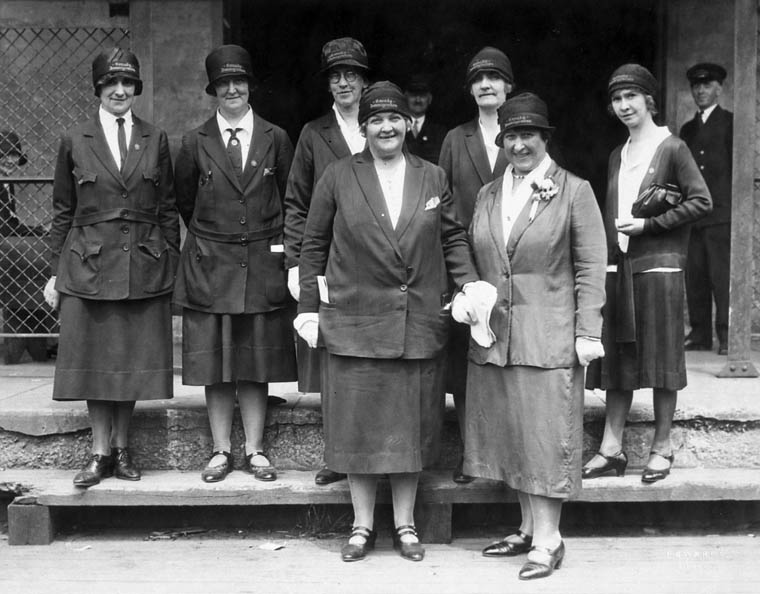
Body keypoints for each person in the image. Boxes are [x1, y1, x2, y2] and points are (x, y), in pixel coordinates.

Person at [295, 82, 479, 562]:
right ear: (364, 128)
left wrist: (469, 286)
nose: (387, 127)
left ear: (409, 124)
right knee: (359, 428)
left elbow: (453, 240)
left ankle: (406, 525)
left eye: (395, 118)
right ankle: (360, 526)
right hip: (357, 324)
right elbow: (313, 246)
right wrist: (308, 309)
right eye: (376, 120)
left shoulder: (433, 176)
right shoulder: (338, 175)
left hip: (415, 322)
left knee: (410, 428)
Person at [456, 93, 606, 580]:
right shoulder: (488, 194)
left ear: (546, 139)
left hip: (549, 334)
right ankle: (524, 527)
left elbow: (589, 268)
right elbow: (480, 258)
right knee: (512, 434)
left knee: (544, 437)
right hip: (495, 335)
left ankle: (549, 539)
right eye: (511, 136)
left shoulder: (574, 191)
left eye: (529, 135)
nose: (519, 144)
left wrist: (588, 330)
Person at [44, 48, 180, 487]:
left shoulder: (154, 138)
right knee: (95, 363)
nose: (119, 91)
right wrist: (54, 271)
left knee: (131, 363)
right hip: (88, 265)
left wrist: (170, 262)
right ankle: (99, 452)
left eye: (127, 84)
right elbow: (62, 211)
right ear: (98, 90)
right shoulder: (75, 139)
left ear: (136, 89)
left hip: (143, 263)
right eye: (110, 84)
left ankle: (122, 449)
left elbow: (167, 208)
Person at [173, 45, 296, 483]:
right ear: (213, 90)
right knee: (217, 363)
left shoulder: (275, 138)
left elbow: (288, 196)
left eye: (238, 82)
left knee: (256, 360)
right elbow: (186, 201)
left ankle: (256, 450)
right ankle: (221, 450)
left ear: (249, 86)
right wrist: (215, 239)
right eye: (223, 83)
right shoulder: (193, 141)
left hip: (262, 262)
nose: (232, 90)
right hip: (212, 263)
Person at [584, 64, 712, 485]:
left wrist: (650, 227)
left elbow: (701, 202)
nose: (623, 106)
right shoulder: (617, 154)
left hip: (660, 268)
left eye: (631, 98)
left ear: (648, 101)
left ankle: (662, 447)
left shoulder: (671, 147)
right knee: (619, 358)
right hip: (622, 269)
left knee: (660, 360)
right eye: (617, 99)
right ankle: (611, 448)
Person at [284, 37, 370, 486]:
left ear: (364, 80)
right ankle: (338, 454)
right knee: (333, 362)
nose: (343, 83)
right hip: (330, 261)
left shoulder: (382, 126)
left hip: (375, 265)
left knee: (371, 361)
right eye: (336, 76)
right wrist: (300, 264)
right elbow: (297, 202)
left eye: (351, 74)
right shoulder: (314, 134)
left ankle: (370, 453)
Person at [438, 46, 513, 483]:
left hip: (509, 263)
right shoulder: (456, 138)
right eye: (478, 79)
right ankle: (472, 455)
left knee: (507, 359)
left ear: (508, 86)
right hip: (466, 265)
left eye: (495, 77)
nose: (486, 85)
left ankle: (505, 455)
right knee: (466, 363)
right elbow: (445, 206)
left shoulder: (523, 133)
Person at [680, 63, 732, 356]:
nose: (701, 90)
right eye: (696, 86)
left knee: (720, 277)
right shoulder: (687, 129)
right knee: (696, 276)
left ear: (719, 89)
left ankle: (726, 335)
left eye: (707, 85)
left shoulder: (730, 123)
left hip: (721, 215)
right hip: (694, 215)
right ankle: (699, 333)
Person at [403, 75, 446, 165]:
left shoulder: (440, 132)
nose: (418, 100)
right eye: (413, 95)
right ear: (405, 97)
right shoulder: (398, 128)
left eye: (422, 95)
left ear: (429, 99)